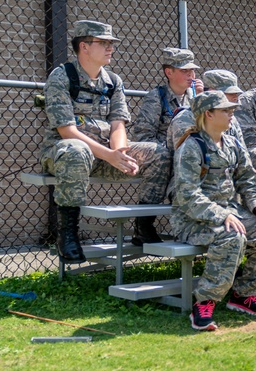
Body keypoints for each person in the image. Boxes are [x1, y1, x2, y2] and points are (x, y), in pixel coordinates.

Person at [39, 20, 172, 261]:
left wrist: (120, 152)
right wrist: (110, 155)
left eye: (111, 43)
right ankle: (67, 234)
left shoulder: (113, 81)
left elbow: (118, 124)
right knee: (75, 149)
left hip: (105, 155)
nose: (111, 48)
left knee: (160, 152)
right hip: (65, 156)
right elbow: (67, 131)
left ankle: (144, 225)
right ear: (84, 47)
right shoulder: (62, 77)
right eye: (104, 43)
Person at [171, 91, 256, 331]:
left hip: (231, 211)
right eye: (225, 110)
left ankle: (244, 294)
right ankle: (204, 302)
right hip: (194, 218)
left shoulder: (233, 144)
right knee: (231, 235)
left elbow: (246, 181)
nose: (231, 113)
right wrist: (223, 215)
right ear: (208, 114)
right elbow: (188, 195)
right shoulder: (191, 146)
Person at [131, 47, 203, 146]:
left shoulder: (196, 96)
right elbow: (143, 137)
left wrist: (202, 99)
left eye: (192, 70)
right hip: (166, 153)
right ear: (169, 73)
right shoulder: (157, 97)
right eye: (184, 70)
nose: (190, 74)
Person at [167, 69, 244, 156]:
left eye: (236, 94)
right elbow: (186, 158)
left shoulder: (231, 119)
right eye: (229, 93)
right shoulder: (186, 119)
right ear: (211, 93)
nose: (235, 98)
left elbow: (242, 153)